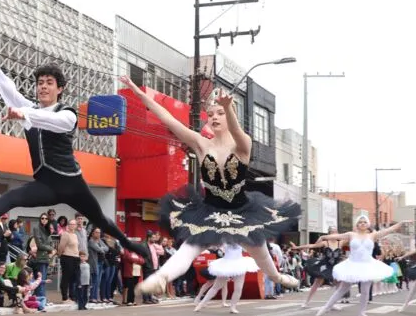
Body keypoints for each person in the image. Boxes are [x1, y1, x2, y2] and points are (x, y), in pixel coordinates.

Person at [0, 32, 148, 260]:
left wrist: (24, 114)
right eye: (39, 83)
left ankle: (129, 244)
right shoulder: (28, 109)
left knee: (100, 219)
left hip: (72, 183)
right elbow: (4, 84)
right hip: (46, 184)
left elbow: (53, 122)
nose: (43, 87)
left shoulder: (67, 114)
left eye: (49, 83)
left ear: (60, 89)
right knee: (11, 198)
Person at [121, 80, 301, 297]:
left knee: (261, 255)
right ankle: (160, 278)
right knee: (187, 250)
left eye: (220, 113)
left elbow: (236, 130)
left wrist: (230, 109)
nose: (214, 117)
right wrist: (137, 91)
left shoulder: (242, 144)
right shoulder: (201, 144)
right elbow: (167, 118)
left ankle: (277, 277)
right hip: (210, 212)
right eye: (211, 114)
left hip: (243, 214)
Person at [315, 215, 409, 316]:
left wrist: (402, 222)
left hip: (367, 265)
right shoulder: (351, 234)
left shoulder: (372, 235)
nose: (363, 223)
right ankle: (326, 307)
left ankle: (362, 312)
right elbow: (336, 236)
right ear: (357, 225)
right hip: (352, 264)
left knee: (365, 291)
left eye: (365, 222)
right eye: (360, 222)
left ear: (368, 224)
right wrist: (322, 237)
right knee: (343, 288)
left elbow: (389, 230)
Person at [289, 228, 346, 309]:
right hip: (325, 265)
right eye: (332, 232)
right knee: (317, 282)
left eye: (336, 232)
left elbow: (353, 239)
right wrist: (297, 247)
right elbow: (311, 245)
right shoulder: (325, 243)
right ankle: (306, 302)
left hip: (335, 266)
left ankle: (333, 303)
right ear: (329, 234)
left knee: (338, 283)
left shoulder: (341, 242)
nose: (334, 234)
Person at [194, 244, 257, 314]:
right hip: (226, 264)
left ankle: (233, 307)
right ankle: (201, 303)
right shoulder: (225, 239)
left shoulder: (241, 239)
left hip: (239, 264)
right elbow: (214, 246)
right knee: (216, 286)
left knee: (238, 288)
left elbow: (248, 248)